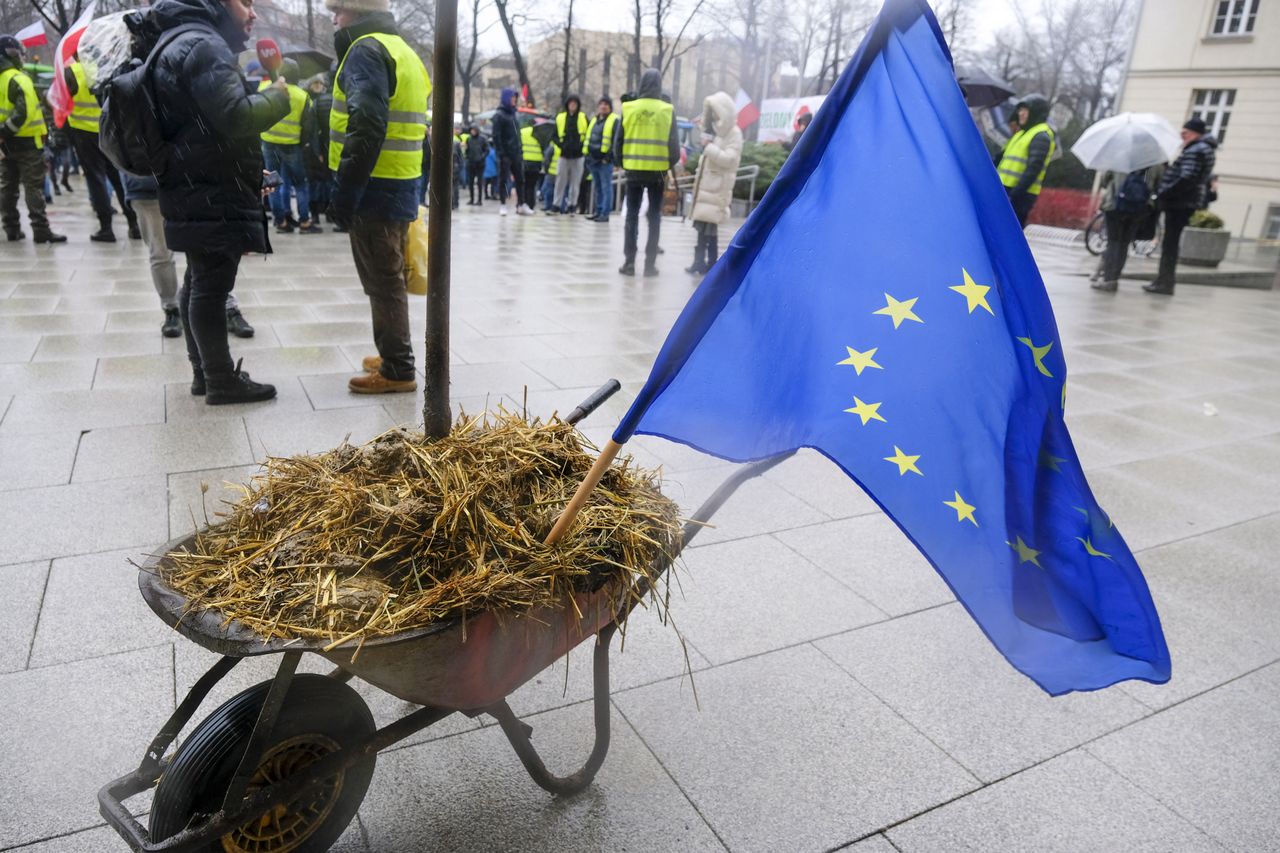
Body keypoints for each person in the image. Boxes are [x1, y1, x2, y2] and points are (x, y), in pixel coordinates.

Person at [148, 0, 291, 405]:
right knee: (211, 286)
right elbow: (235, 116)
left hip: (196, 181)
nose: (252, 13)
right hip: (211, 185)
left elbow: (209, 121)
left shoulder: (179, 40)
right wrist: (279, 96)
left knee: (198, 281)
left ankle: (205, 375)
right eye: (245, 2)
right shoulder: (204, 45)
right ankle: (221, 381)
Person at [327, 0, 430, 394]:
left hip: (374, 188)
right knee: (387, 277)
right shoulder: (403, 51)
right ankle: (391, 352)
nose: (334, 19)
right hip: (399, 183)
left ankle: (397, 367)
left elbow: (367, 123)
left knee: (382, 280)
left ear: (355, 10)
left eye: (337, 10)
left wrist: (345, 194)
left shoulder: (365, 50)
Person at [65, 51, 141, 242]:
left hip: (83, 132)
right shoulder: (103, 67)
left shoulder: (71, 72)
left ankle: (106, 227)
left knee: (95, 178)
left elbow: (62, 101)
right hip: (108, 128)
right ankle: (133, 224)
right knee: (117, 176)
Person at [0, 35, 66, 244]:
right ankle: (41, 230)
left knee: (7, 187)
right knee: (33, 187)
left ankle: (11, 228)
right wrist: (5, 131)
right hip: (27, 143)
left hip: (5, 144)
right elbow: (24, 112)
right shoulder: (20, 79)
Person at [617, 67, 678, 277]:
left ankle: (629, 263)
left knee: (631, 216)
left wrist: (623, 163)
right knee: (654, 217)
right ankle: (650, 265)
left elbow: (618, 142)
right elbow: (675, 149)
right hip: (658, 173)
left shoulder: (629, 107)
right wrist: (667, 164)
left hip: (633, 170)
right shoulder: (667, 110)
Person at [1146, 118, 1217, 296]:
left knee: (1170, 244)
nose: (1182, 136)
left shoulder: (1196, 150)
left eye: (1185, 133)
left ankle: (1165, 282)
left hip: (1179, 203)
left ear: (1195, 133)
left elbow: (1186, 177)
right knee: (1171, 242)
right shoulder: (1203, 149)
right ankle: (1163, 280)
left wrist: (1164, 192)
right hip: (1186, 202)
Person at [258, 58, 320, 233]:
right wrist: (302, 143)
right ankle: (305, 222)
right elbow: (308, 125)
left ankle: (281, 222)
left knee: (273, 183)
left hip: (268, 143)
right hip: (292, 145)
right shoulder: (302, 96)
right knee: (300, 184)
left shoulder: (265, 89)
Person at [686, 90, 742, 276]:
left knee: (710, 229)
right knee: (701, 227)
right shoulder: (716, 132)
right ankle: (698, 262)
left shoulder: (734, 133)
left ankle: (711, 264)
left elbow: (730, 159)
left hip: (717, 189)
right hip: (707, 188)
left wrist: (708, 148)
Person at [1090, 163, 1163, 293]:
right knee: (1124, 244)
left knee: (1113, 243)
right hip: (1138, 208)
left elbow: (1104, 180)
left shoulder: (1119, 155)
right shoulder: (1154, 161)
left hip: (1115, 205)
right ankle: (1115, 279)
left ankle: (1108, 280)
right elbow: (1159, 184)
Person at [996, 94, 1054, 227]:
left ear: (1035, 112)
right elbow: (1000, 159)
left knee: (1008, 235)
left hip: (1018, 196)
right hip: (1005, 192)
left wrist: (1014, 195)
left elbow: (1033, 169)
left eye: (1024, 110)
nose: (1020, 114)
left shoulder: (1041, 136)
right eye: (1020, 110)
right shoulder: (1022, 134)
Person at [491, 87, 532, 215]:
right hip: (505, 154)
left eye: (515, 98)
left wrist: (519, 150)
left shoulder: (514, 114)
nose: (514, 100)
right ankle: (503, 204)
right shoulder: (499, 115)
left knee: (520, 179)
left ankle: (521, 204)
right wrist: (501, 153)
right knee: (503, 179)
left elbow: (516, 135)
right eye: (512, 98)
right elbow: (496, 136)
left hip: (516, 153)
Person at [552, 94, 586, 215]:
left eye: (575, 103)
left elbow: (587, 134)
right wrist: (561, 146)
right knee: (560, 180)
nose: (573, 106)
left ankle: (572, 205)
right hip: (564, 154)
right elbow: (554, 136)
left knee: (575, 182)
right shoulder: (560, 118)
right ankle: (556, 205)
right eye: (571, 103)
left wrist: (581, 146)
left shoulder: (583, 117)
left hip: (578, 155)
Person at [585, 96, 617, 222]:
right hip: (593, 160)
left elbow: (615, 141)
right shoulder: (595, 120)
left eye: (606, 104)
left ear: (610, 107)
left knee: (606, 187)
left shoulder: (614, 120)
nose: (603, 106)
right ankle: (598, 211)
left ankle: (605, 213)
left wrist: (608, 157)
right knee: (598, 187)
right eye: (601, 104)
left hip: (605, 161)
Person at [307, 75, 334, 226]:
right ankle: (329, 212)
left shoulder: (315, 103)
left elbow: (313, 130)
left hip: (316, 148)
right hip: (331, 146)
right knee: (329, 181)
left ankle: (316, 214)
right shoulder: (335, 100)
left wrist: (317, 152)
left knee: (316, 182)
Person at [464, 124, 487, 205]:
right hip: (471, 163)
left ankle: (479, 200)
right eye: (471, 130)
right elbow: (467, 150)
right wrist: (467, 156)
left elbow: (486, 150)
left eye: (474, 130)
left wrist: (482, 157)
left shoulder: (482, 139)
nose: (472, 131)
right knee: (470, 183)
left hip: (480, 164)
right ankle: (471, 199)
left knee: (479, 183)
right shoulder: (468, 139)